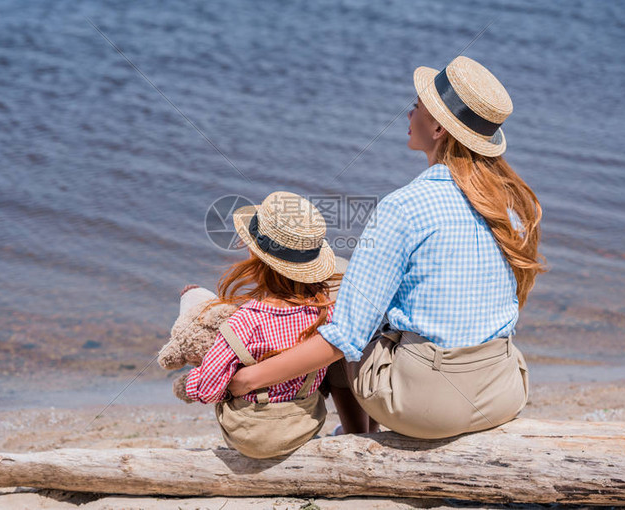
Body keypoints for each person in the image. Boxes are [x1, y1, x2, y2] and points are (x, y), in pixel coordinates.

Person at [228, 56, 545, 439]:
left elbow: (343, 337)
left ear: (439, 128)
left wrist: (248, 380)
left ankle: (357, 434)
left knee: (333, 299)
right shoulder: (508, 208)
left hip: (426, 407)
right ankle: (358, 431)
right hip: (502, 393)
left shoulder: (404, 207)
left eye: (416, 108)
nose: (408, 115)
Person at [184, 191, 339, 458]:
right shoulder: (327, 311)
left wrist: (193, 376)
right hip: (306, 424)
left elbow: (207, 391)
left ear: (255, 254)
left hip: (252, 436)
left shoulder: (245, 320)